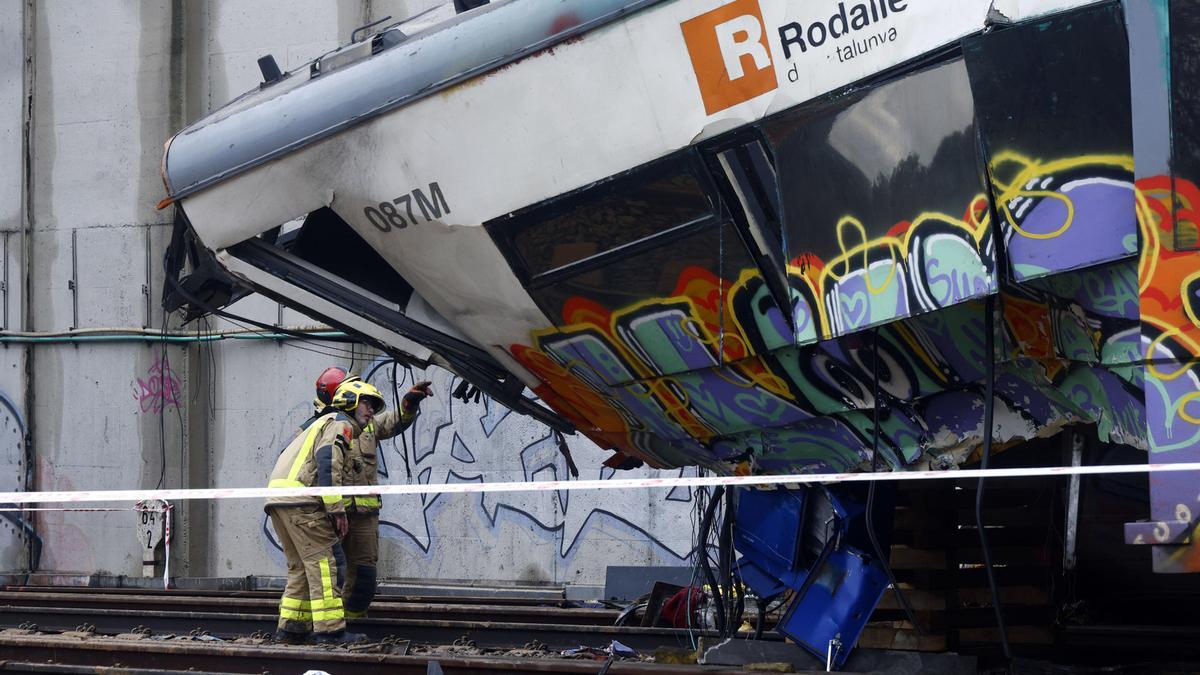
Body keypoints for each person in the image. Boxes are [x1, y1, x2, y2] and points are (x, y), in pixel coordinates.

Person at [264, 377, 386, 645]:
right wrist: (337, 509)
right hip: (304, 503)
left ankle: (291, 629)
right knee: (327, 565)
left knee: (300, 567)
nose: (371, 411)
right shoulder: (340, 424)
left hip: (280, 501)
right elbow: (327, 459)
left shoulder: (320, 424)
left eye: (374, 406)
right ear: (350, 402)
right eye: (366, 403)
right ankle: (331, 631)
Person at [311, 367, 433, 620]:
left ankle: (354, 625)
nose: (365, 405)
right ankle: (328, 626)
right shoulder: (320, 427)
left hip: (364, 516)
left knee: (364, 577)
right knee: (331, 575)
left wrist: (410, 403)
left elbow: (392, 422)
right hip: (331, 515)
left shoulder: (366, 424)